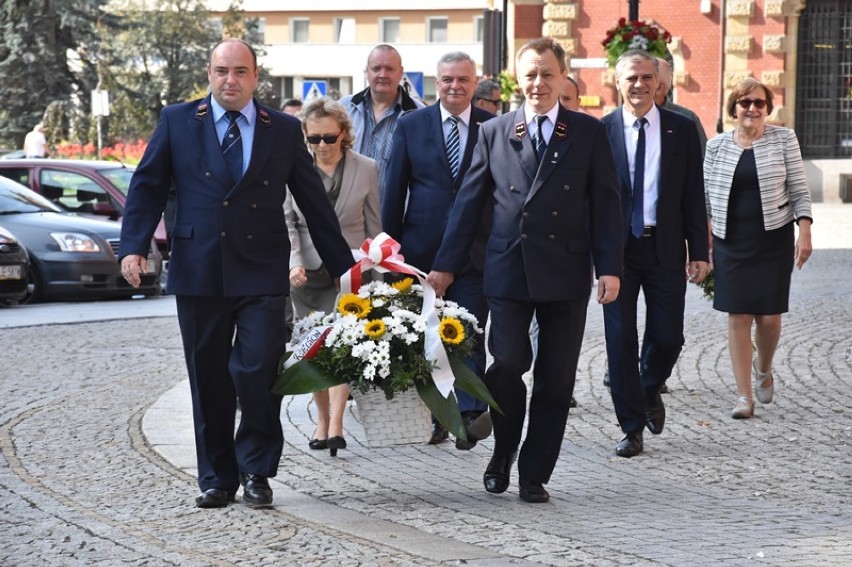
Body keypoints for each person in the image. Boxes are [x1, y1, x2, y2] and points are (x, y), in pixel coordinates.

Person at [118, 39, 354, 510]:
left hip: (262, 270)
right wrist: (133, 247)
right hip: (199, 267)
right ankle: (216, 478)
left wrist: (347, 269)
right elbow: (146, 185)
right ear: (209, 72)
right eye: (222, 71)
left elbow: (312, 201)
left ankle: (257, 471)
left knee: (256, 371)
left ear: (255, 76)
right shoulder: (178, 121)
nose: (231, 80)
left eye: (240, 71)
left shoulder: (283, 129)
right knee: (208, 378)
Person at [426, 38, 623, 503]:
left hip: (566, 268)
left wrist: (609, 267)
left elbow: (607, 205)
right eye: (530, 74)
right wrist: (444, 267)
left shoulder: (587, 132)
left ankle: (534, 473)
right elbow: (469, 204)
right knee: (509, 362)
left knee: (556, 380)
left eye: (547, 74)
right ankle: (503, 451)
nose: (538, 83)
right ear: (519, 79)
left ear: (562, 77)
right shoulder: (495, 131)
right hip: (509, 267)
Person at [382, 51, 495, 450]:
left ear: (474, 81)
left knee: (467, 333)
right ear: (436, 81)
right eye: (447, 79)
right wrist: (390, 255)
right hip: (421, 254)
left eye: (463, 79)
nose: (455, 86)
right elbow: (393, 193)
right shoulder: (411, 126)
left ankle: (465, 414)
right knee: (428, 337)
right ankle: (436, 414)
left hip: (476, 253)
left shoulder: (492, 127)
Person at [601, 49, 708, 459]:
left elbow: (691, 196)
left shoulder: (679, 130)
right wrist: (597, 256)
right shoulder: (602, 131)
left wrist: (699, 249)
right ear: (618, 82)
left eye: (647, 77)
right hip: (619, 253)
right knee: (619, 340)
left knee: (668, 336)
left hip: (665, 247)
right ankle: (631, 428)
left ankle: (648, 387)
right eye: (631, 78)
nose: (639, 85)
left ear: (658, 83)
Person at [704, 78, 813, 419]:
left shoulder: (784, 139)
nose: (752, 108)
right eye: (744, 103)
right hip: (729, 240)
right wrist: (701, 243)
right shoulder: (716, 146)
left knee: (768, 317)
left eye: (759, 103)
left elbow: (798, 189)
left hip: (772, 238)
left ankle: (763, 367)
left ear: (768, 108)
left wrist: (805, 231)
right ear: (733, 108)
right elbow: (704, 198)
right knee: (738, 316)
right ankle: (743, 396)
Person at [285, 97, 381, 454]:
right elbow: (289, 222)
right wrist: (294, 262)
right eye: (314, 139)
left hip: (350, 271)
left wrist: (378, 279)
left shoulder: (366, 168)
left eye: (329, 137)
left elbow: (375, 225)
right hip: (306, 275)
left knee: (343, 348)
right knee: (312, 349)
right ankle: (321, 420)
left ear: (344, 134)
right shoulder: (294, 168)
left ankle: (338, 423)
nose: (322, 146)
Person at [339, 44, 425, 197]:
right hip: (348, 214)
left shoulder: (419, 115)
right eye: (376, 68)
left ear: (401, 72)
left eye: (390, 69)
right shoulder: (342, 109)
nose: (383, 74)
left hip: (394, 216)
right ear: (366, 71)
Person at [655, 58, 708, 154]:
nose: (638, 84)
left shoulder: (688, 119)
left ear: (659, 87)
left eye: (646, 78)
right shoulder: (628, 117)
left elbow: (702, 158)